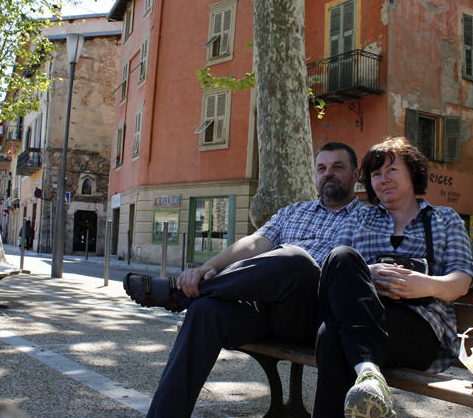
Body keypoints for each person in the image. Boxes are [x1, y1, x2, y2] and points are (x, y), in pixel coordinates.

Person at [123, 142, 363, 418]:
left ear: (355, 175)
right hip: (266, 311)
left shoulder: (369, 219)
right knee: (204, 311)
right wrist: (208, 267)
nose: (328, 174)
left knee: (297, 260)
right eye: (322, 168)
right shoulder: (294, 211)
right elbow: (253, 244)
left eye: (338, 167)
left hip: (314, 317)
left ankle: (181, 294)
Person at [315, 137, 473, 418]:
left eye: (392, 170)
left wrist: (421, 285)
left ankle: (368, 374)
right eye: (376, 174)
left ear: (412, 174)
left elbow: (461, 279)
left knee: (334, 335)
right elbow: (332, 271)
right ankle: (368, 376)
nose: (383, 180)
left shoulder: (444, 218)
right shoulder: (358, 219)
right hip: (368, 313)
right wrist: (367, 274)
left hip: (419, 326)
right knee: (340, 270)